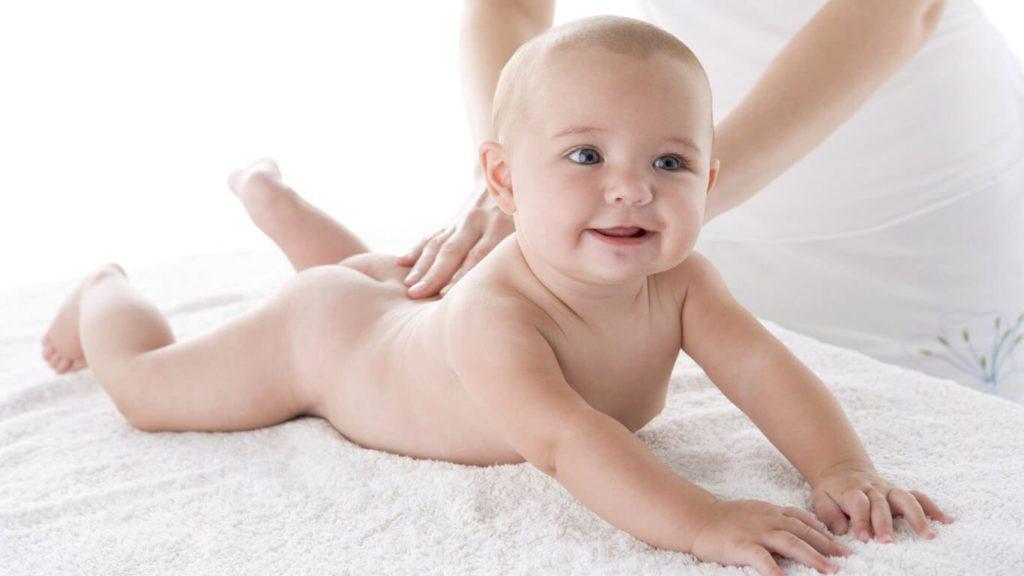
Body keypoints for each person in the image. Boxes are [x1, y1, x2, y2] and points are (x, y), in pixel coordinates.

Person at [39, 17, 951, 576]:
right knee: (148, 389)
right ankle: (103, 290)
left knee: (383, 291)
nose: (631, 189)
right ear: (503, 181)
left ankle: (277, 205)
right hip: (318, 345)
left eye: (670, 162)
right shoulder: (494, 315)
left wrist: (840, 467)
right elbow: (565, 440)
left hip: (388, 314)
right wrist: (703, 520)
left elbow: (759, 366)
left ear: (710, 180)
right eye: (586, 155)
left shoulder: (681, 281)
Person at [402, 0, 1024, 402]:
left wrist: (677, 192)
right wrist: (518, 181)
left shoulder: (663, 216)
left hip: (922, 211)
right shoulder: (665, 242)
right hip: (683, 189)